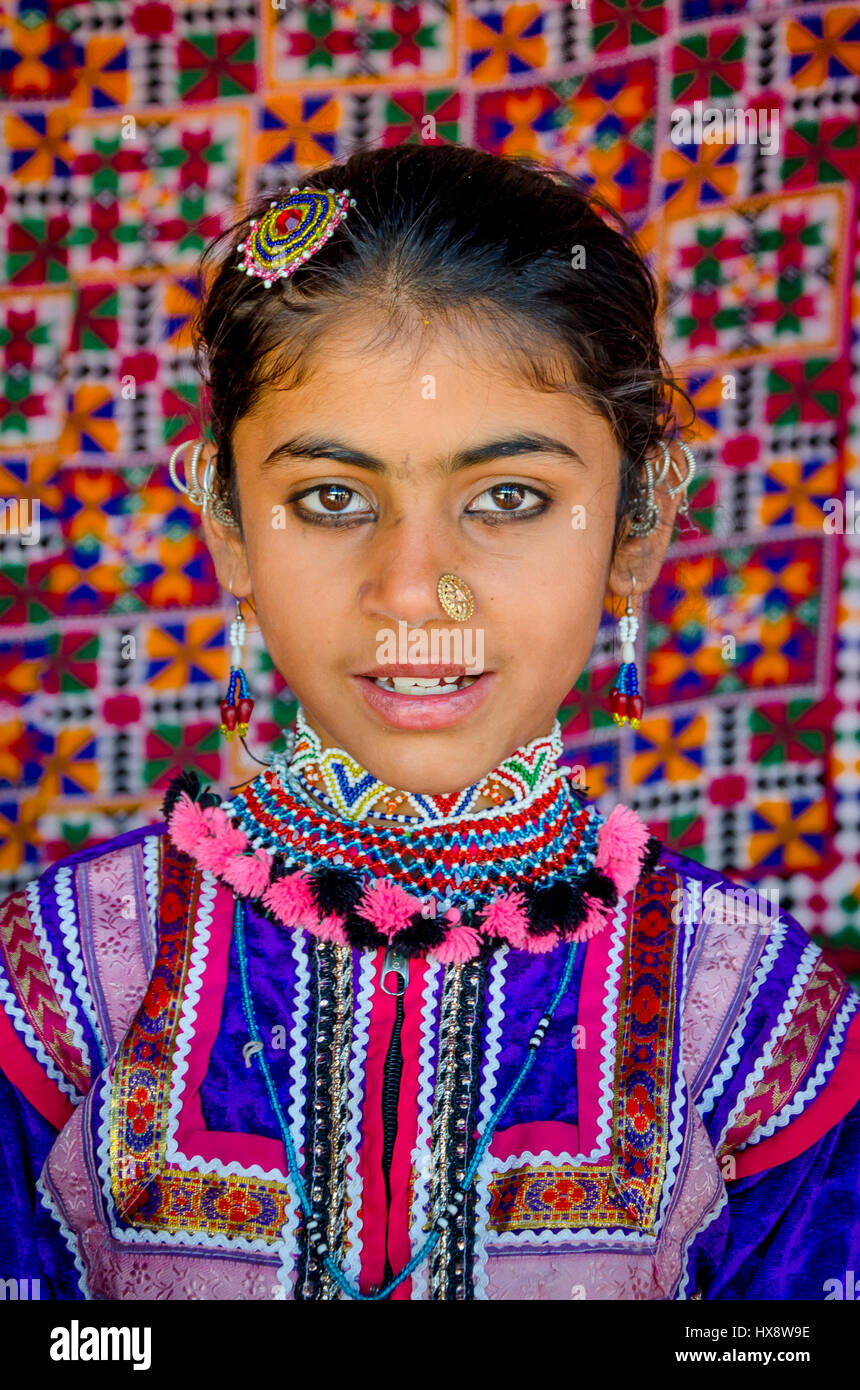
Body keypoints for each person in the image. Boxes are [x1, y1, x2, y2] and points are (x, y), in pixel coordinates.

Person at [1, 143, 857, 1301]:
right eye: (330, 498)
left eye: (508, 498)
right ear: (227, 526)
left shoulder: (754, 1026)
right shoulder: (63, 986)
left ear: (638, 520)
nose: (416, 590)